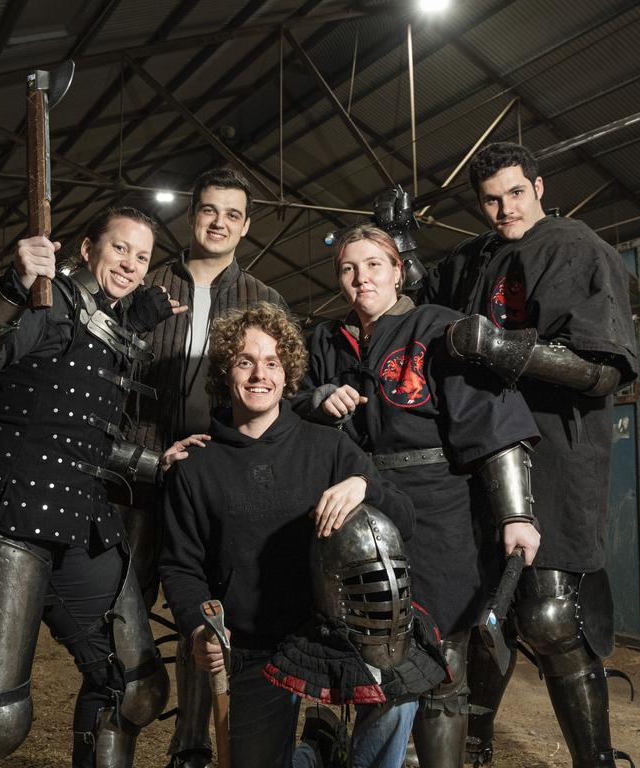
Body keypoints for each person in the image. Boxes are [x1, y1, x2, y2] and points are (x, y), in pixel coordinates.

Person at [0, 206, 186, 768]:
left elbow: (80, 436)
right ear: (86, 249)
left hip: (75, 514)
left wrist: (160, 462)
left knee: (137, 688)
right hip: (1, 510)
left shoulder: (102, 326)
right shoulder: (47, 300)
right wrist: (11, 286)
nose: (131, 264)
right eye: (120, 248)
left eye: (142, 255)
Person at [418, 141, 638, 768]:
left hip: (558, 454)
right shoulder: (475, 256)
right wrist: (400, 242)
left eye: (515, 192)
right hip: (481, 454)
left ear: (538, 187)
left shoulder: (575, 247)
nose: (504, 208)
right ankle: (477, 747)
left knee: (547, 616)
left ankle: (594, 760)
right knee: (485, 613)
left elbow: (604, 371)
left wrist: (508, 350)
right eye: (490, 198)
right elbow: (418, 299)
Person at [294, 224, 541, 768]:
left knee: (440, 667)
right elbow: (278, 405)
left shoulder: (438, 329)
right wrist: (316, 398)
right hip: (352, 517)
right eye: (349, 269)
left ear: (397, 270)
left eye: (374, 265)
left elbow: (493, 423)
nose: (362, 279)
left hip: (438, 514)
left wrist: (516, 514)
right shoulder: (322, 342)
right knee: (358, 662)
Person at [159, 302, 425, 768]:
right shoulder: (197, 466)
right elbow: (181, 566)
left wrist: (366, 485)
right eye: (245, 361)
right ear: (227, 371)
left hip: (332, 634)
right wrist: (201, 627)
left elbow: (403, 518)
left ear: (288, 374)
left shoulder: (329, 446)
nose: (259, 374)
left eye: (272, 362)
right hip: (254, 645)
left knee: (400, 692)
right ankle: (314, 753)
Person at [125, 167, 285, 768]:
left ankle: (190, 743)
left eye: (233, 214)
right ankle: (120, 727)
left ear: (246, 226)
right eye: (209, 211)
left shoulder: (265, 300)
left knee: (206, 608)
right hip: (140, 471)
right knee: (127, 603)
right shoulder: (148, 283)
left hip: (218, 479)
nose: (219, 222)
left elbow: (279, 386)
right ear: (191, 217)